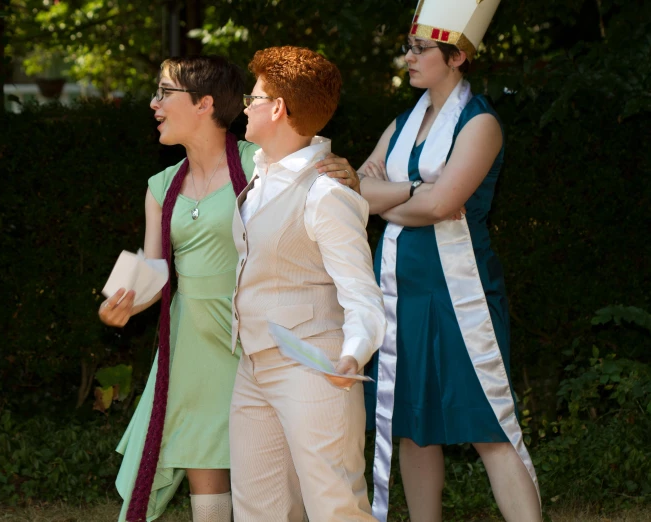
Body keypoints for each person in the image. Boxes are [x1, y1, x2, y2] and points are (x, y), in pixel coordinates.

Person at [98, 55, 359, 522]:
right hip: (193, 339)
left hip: (256, 333)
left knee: (284, 476)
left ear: (204, 104)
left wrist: (344, 171)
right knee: (205, 463)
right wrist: (123, 306)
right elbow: (156, 273)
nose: (154, 104)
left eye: (164, 93)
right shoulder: (161, 186)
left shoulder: (258, 161)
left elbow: (312, 187)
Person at [315, 1, 542, 521]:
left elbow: (441, 206)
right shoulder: (403, 122)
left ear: (456, 56)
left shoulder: (480, 123)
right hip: (399, 290)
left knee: (489, 423)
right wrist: (415, 189)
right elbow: (361, 195)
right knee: (410, 425)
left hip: (460, 296)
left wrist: (393, 198)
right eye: (409, 48)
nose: (408, 58)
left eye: (420, 49)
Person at [228, 46, 386, 522]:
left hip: (315, 368)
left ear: (277, 109)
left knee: (335, 507)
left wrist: (353, 353)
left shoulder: (327, 192)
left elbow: (361, 291)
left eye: (252, 97)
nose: (245, 106)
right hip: (251, 365)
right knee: (258, 509)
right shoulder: (258, 176)